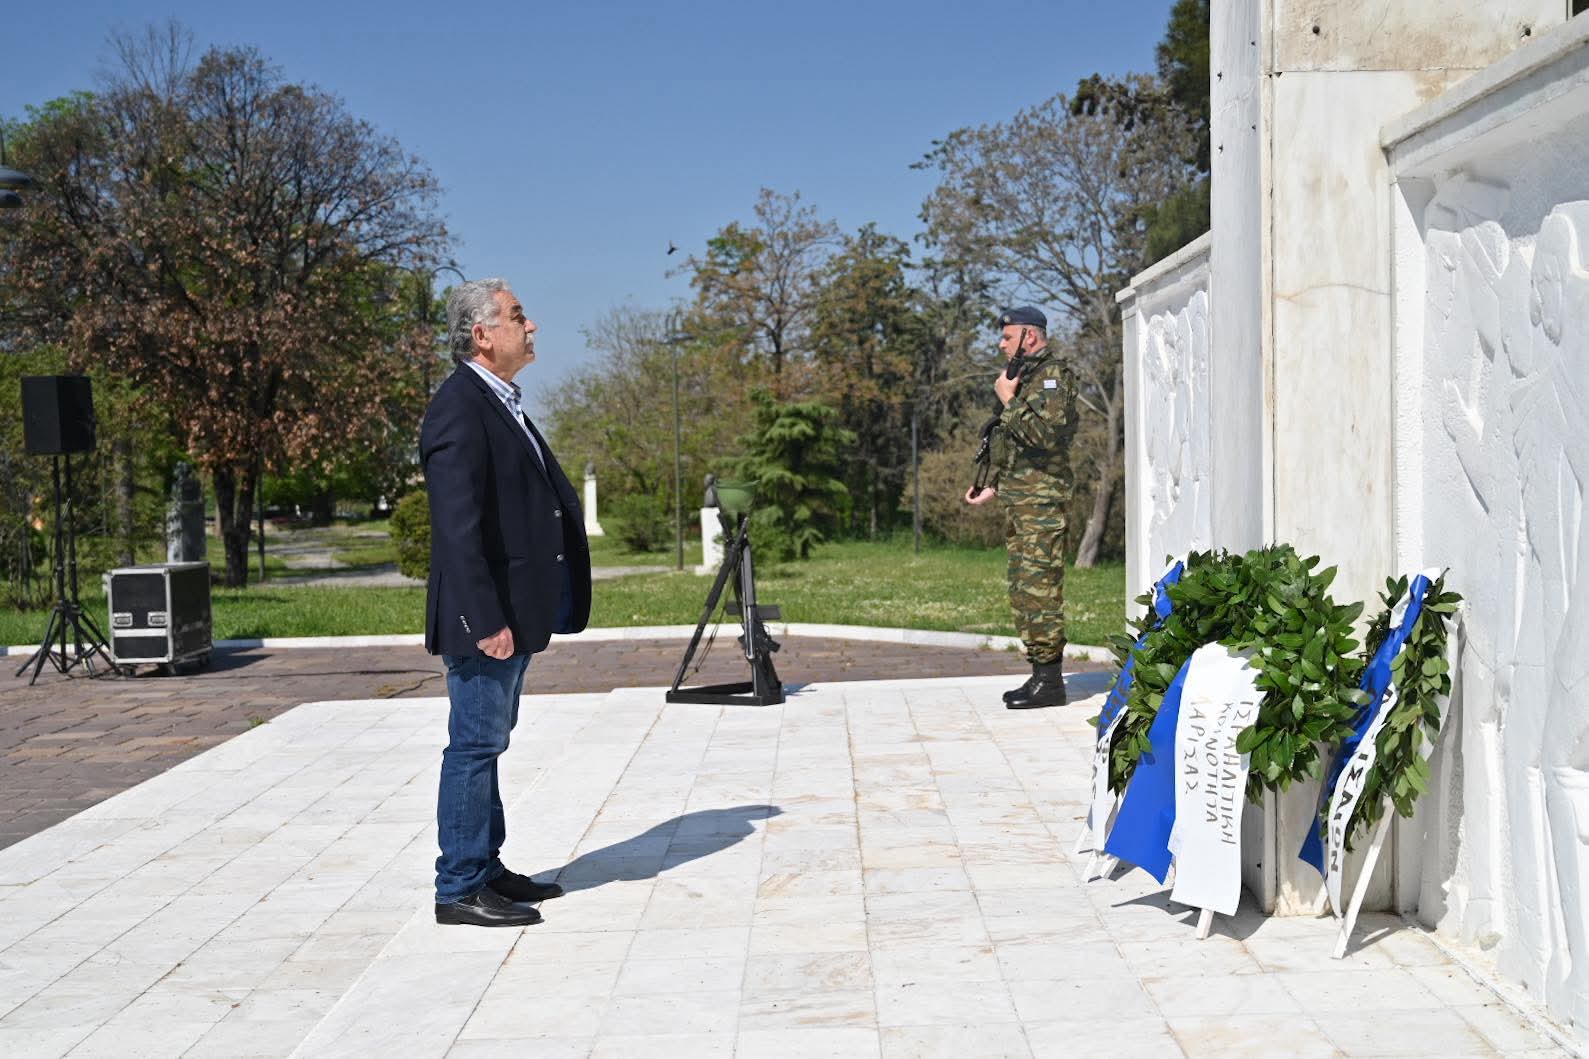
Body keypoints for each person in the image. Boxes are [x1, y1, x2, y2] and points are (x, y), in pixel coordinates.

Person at [421, 278, 592, 926]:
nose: (532, 325)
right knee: (472, 746)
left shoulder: (497, 400)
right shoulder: (460, 407)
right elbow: (456, 528)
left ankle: (484, 867)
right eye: (518, 316)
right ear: (482, 334)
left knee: (488, 743)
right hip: (483, 618)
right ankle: (459, 886)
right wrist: (484, 619)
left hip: (510, 614)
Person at [964, 306, 1078, 710]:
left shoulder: (1052, 377)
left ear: (1030, 336)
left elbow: (1046, 436)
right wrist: (993, 484)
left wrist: (1008, 400)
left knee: (1040, 589)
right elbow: (1016, 445)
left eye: (1007, 336)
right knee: (1023, 589)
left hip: (1041, 503)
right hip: (1021, 499)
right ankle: (1040, 674)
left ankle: (1051, 682)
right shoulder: (1027, 376)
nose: (1001, 344)